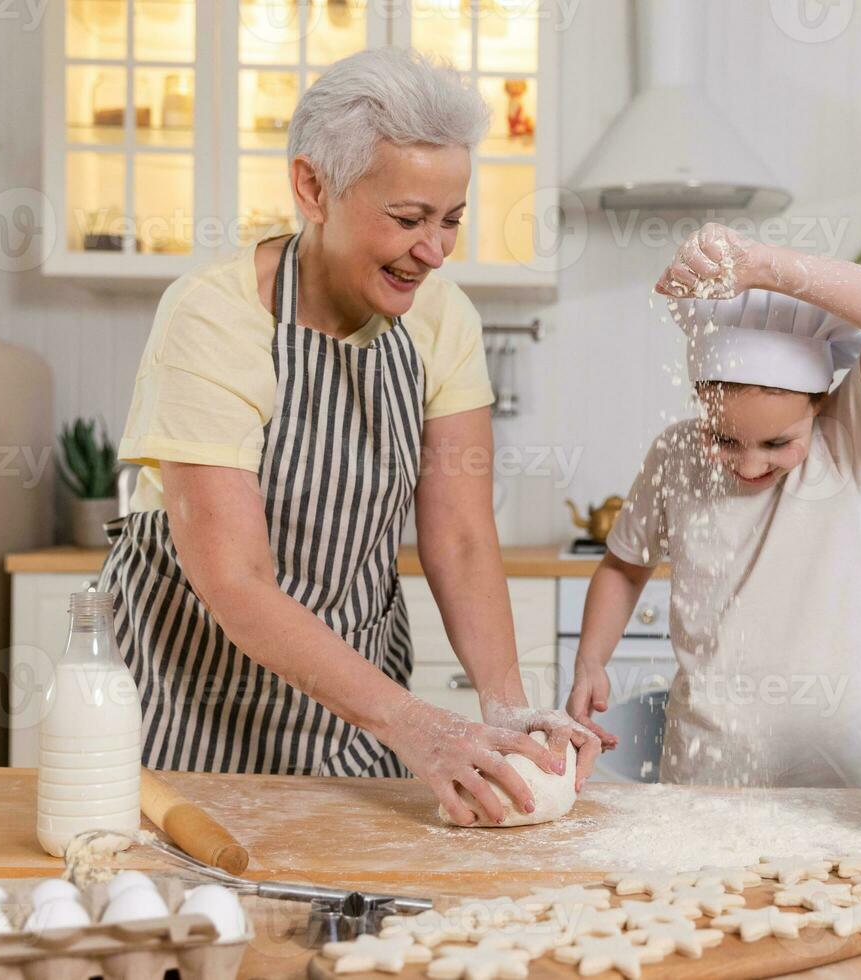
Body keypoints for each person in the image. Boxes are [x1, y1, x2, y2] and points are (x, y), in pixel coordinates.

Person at [98, 48, 598, 825]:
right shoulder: (214, 319)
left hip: (356, 721)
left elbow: (462, 537)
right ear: (312, 188)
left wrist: (505, 705)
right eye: (407, 219)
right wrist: (417, 726)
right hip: (193, 707)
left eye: (451, 221)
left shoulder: (442, 320)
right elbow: (235, 579)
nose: (433, 252)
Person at [565, 223, 861, 787]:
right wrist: (591, 658)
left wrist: (763, 266)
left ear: (820, 402)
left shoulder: (848, 440)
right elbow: (623, 566)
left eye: (778, 444)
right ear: (699, 403)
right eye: (725, 439)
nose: (750, 464)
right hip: (708, 759)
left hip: (836, 767)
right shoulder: (676, 455)